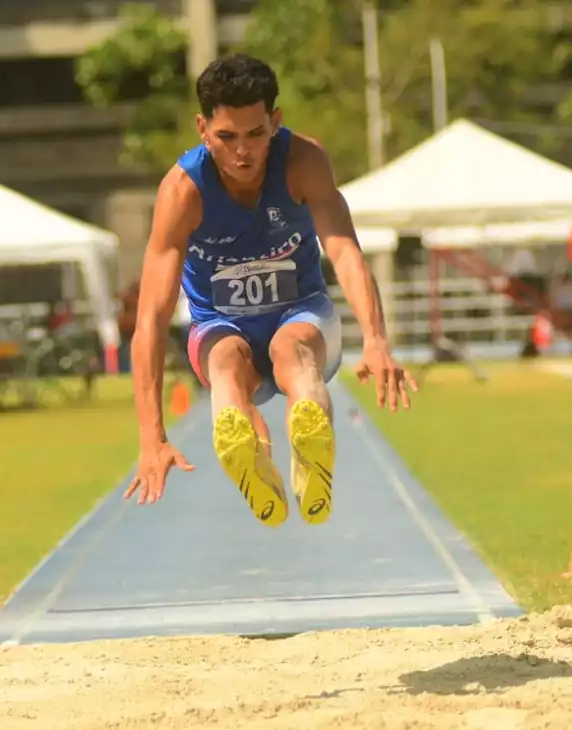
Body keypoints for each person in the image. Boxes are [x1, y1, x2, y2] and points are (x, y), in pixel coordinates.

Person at [123, 55, 415, 527]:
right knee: (225, 361)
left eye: (256, 134)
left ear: (275, 122)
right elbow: (151, 322)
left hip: (302, 314)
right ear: (202, 129)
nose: (243, 151)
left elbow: (344, 252)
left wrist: (376, 340)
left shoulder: (304, 161)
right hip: (219, 324)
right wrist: (151, 436)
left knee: (290, 349)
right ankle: (246, 452)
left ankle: (310, 450)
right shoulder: (183, 192)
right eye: (227, 137)